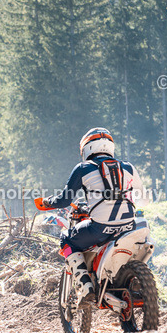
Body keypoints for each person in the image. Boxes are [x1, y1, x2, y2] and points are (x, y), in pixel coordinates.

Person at [34, 128, 146, 305]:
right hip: (129, 228)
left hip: (100, 229)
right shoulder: (129, 167)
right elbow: (145, 200)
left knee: (66, 239)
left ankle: (86, 287)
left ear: (86, 148)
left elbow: (64, 200)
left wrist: (48, 202)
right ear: (110, 147)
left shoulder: (83, 168)